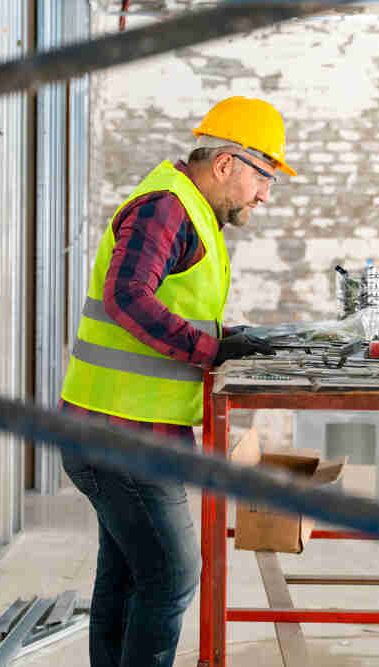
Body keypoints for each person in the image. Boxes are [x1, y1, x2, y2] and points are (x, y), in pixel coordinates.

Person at [57, 96, 295, 667]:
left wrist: (231, 335)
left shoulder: (187, 210)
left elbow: (170, 305)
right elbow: (126, 297)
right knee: (171, 574)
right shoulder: (167, 208)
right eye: (264, 177)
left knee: (127, 576)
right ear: (226, 164)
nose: (265, 195)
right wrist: (213, 348)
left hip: (125, 425)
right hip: (120, 431)